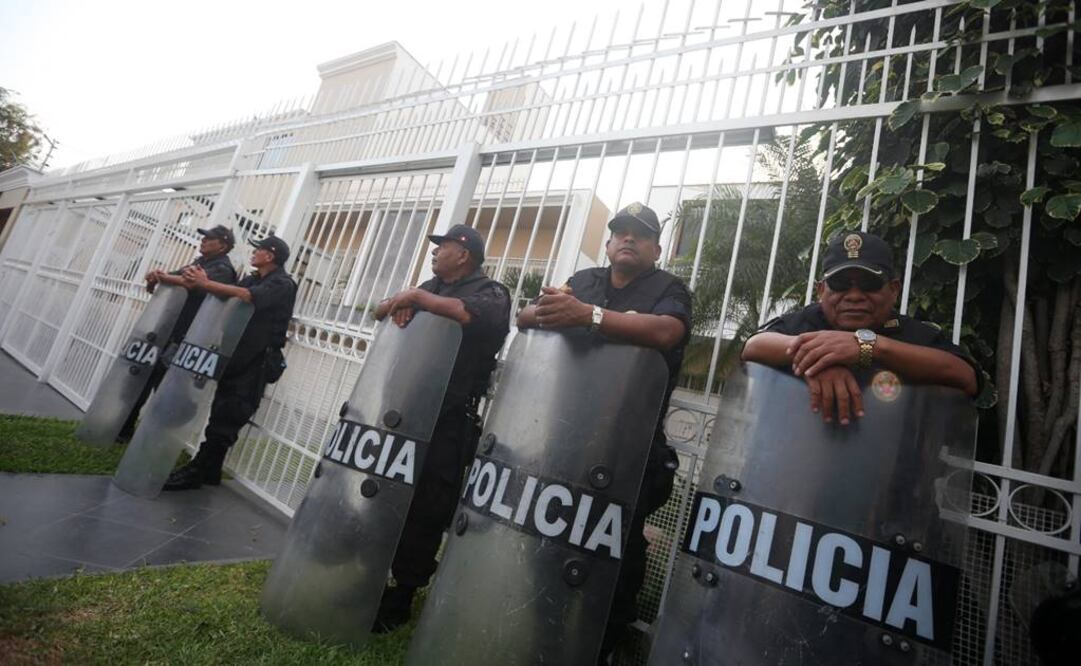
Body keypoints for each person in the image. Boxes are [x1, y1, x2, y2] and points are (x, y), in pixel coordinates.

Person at [516, 202, 692, 664]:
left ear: (656, 247)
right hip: (567, 437)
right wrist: (550, 311)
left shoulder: (668, 288)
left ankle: (601, 648)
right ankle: (544, 637)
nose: (628, 239)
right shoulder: (584, 280)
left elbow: (666, 332)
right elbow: (527, 317)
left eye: (640, 234)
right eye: (621, 232)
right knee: (549, 542)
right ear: (610, 242)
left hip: (628, 448)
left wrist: (587, 317)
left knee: (614, 554)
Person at [371, 223, 511, 631]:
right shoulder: (430, 285)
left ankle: (402, 594)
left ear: (463, 253)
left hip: (448, 420)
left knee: (427, 508)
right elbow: (379, 309)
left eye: (442, 246)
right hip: (403, 411)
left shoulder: (491, 291)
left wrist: (417, 299)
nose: (434, 252)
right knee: (385, 493)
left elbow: (471, 315)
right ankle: (372, 574)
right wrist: (407, 299)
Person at [742, 230, 979, 425]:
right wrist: (820, 360)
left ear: (894, 290)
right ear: (821, 290)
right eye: (841, 284)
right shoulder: (808, 320)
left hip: (885, 474)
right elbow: (754, 345)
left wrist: (870, 347)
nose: (854, 296)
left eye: (869, 284)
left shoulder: (910, 332)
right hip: (794, 469)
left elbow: (965, 377)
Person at [163, 234, 297, 491]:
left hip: (257, 362)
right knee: (221, 411)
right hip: (237, 356)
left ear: (270, 255)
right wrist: (201, 280)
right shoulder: (253, 277)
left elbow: (247, 296)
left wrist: (205, 282)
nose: (253, 252)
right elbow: (232, 294)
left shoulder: (283, 283)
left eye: (258, 250)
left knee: (229, 417)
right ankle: (210, 471)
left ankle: (197, 471)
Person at [117, 225, 238, 442]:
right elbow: (172, 278)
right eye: (203, 237)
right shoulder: (198, 263)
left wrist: (162, 277)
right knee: (144, 380)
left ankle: (156, 436)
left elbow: (190, 284)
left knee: (168, 389)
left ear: (222, 244)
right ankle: (125, 430)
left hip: (187, 338)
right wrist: (156, 276)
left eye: (209, 238)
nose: (202, 241)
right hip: (169, 333)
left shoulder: (223, 269)